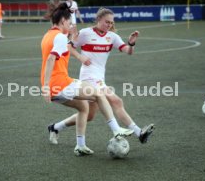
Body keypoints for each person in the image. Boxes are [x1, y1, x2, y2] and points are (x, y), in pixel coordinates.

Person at [48, 8, 155, 145]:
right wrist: (80, 57)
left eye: (111, 23)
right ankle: (138, 132)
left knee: (90, 115)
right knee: (116, 101)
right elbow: (69, 47)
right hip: (88, 77)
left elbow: (128, 51)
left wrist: (131, 43)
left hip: (100, 78)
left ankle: (55, 127)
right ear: (98, 19)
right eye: (106, 22)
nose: (109, 25)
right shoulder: (86, 33)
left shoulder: (112, 37)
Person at [40, 3, 133, 156]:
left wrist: (71, 37)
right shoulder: (60, 37)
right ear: (63, 21)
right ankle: (116, 129)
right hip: (59, 84)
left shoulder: (48, 36)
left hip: (55, 86)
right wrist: (45, 86)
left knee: (84, 108)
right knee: (98, 94)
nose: (71, 26)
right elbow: (51, 59)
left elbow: (60, 50)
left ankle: (80, 146)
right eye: (69, 23)